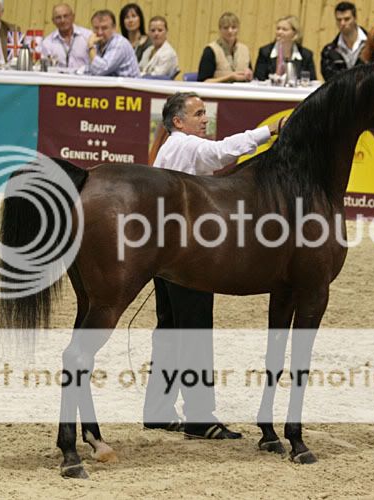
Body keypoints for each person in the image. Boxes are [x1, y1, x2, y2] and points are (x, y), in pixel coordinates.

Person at [144, 91, 283, 439]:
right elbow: (221, 151)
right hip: (186, 256)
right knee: (193, 331)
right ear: (178, 121)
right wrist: (270, 130)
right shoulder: (184, 145)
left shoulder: (173, 147)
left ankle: (158, 408)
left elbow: (217, 163)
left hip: (164, 253)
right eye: (199, 114)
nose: (205, 119)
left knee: (171, 329)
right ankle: (199, 415)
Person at [254, 15, 316, 82]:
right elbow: (258, 78)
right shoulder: (265, 52)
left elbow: (312, 80)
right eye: (278, 29)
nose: (279, 32)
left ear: (295, 33)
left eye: (284, 29)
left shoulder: (306, 55)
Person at [197, 12, 252, 83]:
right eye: (226, 28)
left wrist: (249, 75)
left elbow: (251, 77)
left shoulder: (245, 49)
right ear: (220, 29)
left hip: (241, 92)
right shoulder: (211, 50)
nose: (230, 31)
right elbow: (203, 82)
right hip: (217, 92)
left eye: (233, 27)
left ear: (238, 29)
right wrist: (230, 77)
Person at [320, 2, 368, 81]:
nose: (342, 23)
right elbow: (331, 80)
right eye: (339, 20)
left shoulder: (372, 45)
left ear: (355, 18)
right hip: (340, 92)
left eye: (347, 19)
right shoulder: (329, 51)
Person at [85, 9, 140, 77]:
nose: (99, 32)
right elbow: (89, 70)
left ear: (114, 28)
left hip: (130, 86)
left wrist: (91, 47)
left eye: (104, 28)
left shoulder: (119, 43)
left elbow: (100, 70)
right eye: (96, 28)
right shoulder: (97, 43)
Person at [40, 3, 92, 72]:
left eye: (66, 16)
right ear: (53, 21)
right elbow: (45, 69)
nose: (62, 20)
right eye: (58, 17)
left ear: (73, 17)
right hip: (58, 81)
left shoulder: (88, 36)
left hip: (84, 80)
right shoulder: (47, 42)